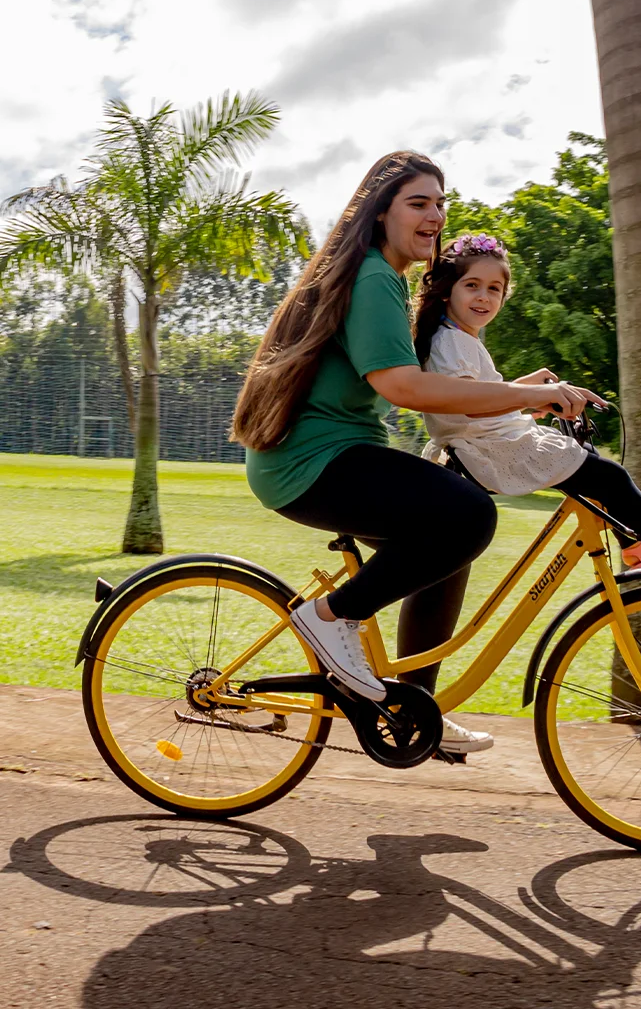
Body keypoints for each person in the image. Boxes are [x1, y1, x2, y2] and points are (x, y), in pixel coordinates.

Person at [231, 153, 596, 755]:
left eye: (440, 204)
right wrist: (526, 396)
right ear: (381, 212)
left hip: (332, 456)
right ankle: (330, 617)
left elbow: (438, 384)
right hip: (314, 462)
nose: (435, 216)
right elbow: (403, 387)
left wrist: (518, 392)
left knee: (447, 546)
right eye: (418, 203)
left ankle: (415, 709)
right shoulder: (375, 276)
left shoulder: (377, 276)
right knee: (468, 515)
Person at [413, 234, 641, 605]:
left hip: (490, 442)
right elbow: (470, 405)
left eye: (494, 288)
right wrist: (533, 396)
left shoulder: (457, 336)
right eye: (472, 286)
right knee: (611, 477)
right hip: (487, 449)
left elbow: (481, 395)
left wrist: (532, 389)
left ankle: (634, 542)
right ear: (447, 291)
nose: (484, 297)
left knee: (595, 472)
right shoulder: (453, 341)